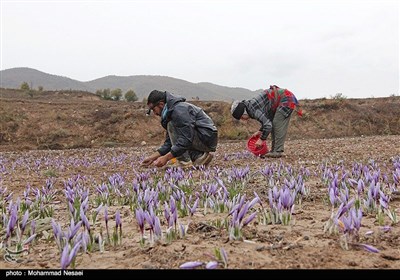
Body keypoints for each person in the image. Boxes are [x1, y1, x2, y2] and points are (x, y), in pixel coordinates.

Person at [141, 90, 218, 168]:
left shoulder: (178, 110)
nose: (155, 113)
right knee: (175, 133)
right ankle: (199, 157)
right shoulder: (170, 112)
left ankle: (184, 162)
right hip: (202, 136)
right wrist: (153, 157)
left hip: (206, 137)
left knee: (173, 128)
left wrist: (166, 158)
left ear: (161, 104)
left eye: (154, 109)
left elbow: (186, 139)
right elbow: (170, 142)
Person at [231, 85, 302, 158]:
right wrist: (260, 131)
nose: (243, 120)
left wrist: (261, 139)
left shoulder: (253, 110)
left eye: (242, 117)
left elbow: (268, 125)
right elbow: (267, 119)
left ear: (244, 113)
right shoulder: (250, 106)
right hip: (283, 98)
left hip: (286, 99)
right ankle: (274, 150)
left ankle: (278, 151)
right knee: (274, 124)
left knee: (277, 123)